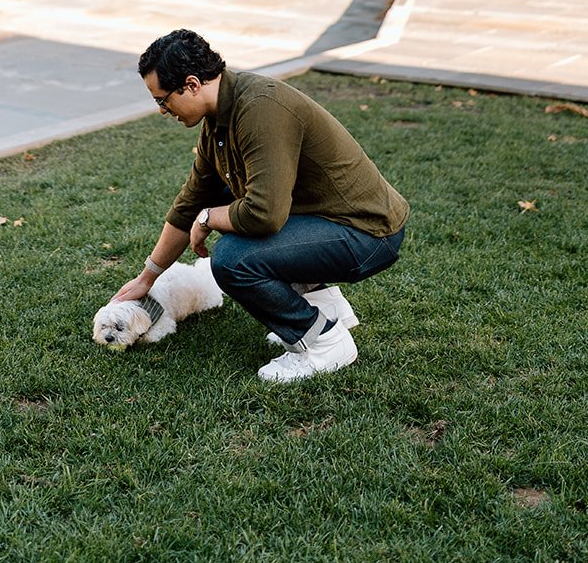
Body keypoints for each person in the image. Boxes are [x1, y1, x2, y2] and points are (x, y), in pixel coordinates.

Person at [112, 28, 409, 384]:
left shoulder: (260, 109)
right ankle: (326, 310)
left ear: (191, 84)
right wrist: (148, 277)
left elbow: (263, 215)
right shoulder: (219, 120)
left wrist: (208, 219)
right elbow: (190, 202)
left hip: (369, 233)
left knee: (233, 260)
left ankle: (324, 342)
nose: (162, 110)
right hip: (331, 221)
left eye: (163, 99)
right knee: (220, 199)